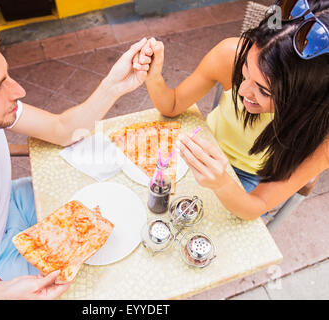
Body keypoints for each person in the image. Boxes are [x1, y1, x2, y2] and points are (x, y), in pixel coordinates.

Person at [0, 1, 152, 299]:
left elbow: (61, 130)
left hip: (11, 203)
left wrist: (114, 85)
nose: (18, 91)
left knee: (126, 214)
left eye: (6, 75)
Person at [140, 0, 329, 220]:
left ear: (306, 97)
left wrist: (221, 183)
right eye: (245, 71)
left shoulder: (322, 133)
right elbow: (171, 105)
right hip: (204, 145)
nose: (243, 91)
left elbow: (256, 206)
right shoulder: (230, 54)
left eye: (263, 91)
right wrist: (153, 77)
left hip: (249, 181)